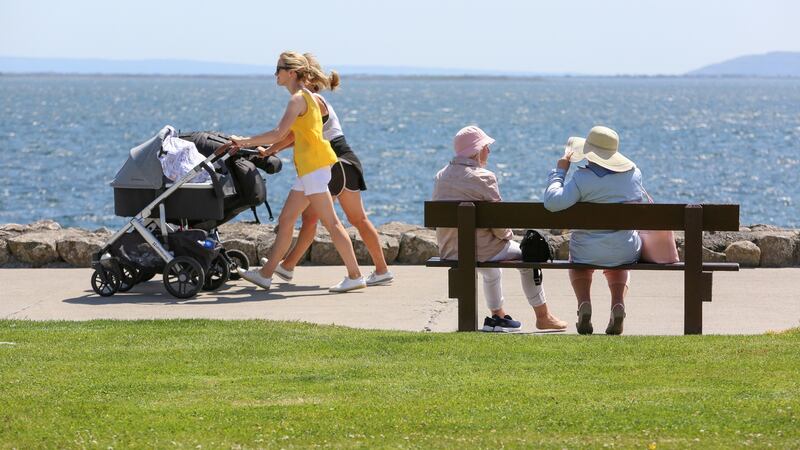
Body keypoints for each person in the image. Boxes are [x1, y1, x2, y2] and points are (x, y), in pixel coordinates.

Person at [221, 51, 365, 293]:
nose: (275, 74)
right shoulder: (308, 97)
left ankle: (355, 275)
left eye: (278, 69)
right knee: (287, 219)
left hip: (315, 169)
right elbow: (295, 135)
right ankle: (266, 275)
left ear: (291, 73)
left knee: (332, 223)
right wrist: (269, 150)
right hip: (310, 168)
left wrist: (242, 141)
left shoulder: (298, 99)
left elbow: (279, 132)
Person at [258, 53, 393, 286]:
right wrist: (272, 149)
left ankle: (292, 267)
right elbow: (294, 135)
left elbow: (292, 135)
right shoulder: (315, 100)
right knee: (355, 219)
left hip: (333, 162)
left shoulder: (311, 102)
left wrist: (271, 148)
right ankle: (381, 271)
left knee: (314, 219)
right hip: (347, 161)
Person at [432, 126, 567, 332]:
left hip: (451, 250)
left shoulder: (441, 176)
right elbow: (499, 226)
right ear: (476, 150)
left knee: (492, 269)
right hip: (481, 250)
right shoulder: (484, 177)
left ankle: (498, 316)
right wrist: (508, 236)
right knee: (527, 258)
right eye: (486, 147)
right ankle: (543, 316)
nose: (489, 151)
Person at [543, 125, 645, 335]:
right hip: (624, 250)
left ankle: (584, 304)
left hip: (586, 251)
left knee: (578, 259)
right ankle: (618, 304)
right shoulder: (635, 175)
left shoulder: (583, 178)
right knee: (618, 255)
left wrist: (560, 171)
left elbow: (553, 202)